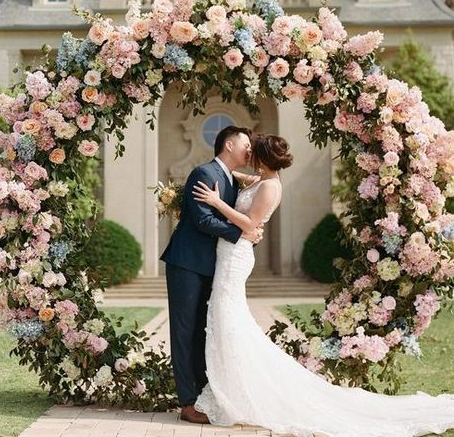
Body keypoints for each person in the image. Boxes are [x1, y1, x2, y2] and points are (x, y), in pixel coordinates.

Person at [192, 134, 454, 437]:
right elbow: (239, 177)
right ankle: (234, 388)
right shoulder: (261, 179)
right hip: (229, 255)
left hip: (236, 257)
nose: (249, 154)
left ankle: (238, 392)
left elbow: (250, 224)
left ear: (263, 159)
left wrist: (214, 202)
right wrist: (225, 172)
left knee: (229, 320)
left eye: (254, 152)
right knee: (227, 320)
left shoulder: (270, 186)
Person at [160, 126, 263, 424]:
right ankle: (188, 403)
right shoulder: (203, 174)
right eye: (245, 144)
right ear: (229, 145)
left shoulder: (230, 179)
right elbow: (203, 219)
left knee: (203, 331)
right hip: (187, 263)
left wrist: (248, 227)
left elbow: (265, 182)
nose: (249, 150)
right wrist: (244, 233)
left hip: (212, 266)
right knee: (184, 331)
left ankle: (205, 395)